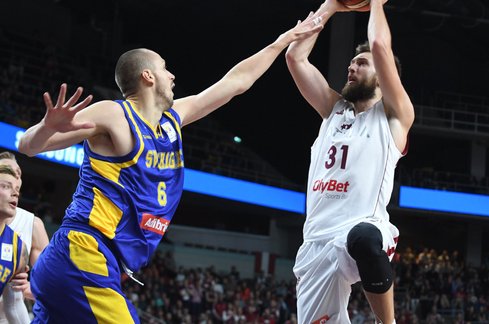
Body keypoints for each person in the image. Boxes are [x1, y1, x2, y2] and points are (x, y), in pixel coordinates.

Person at [17, 12, 327, 323]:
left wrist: (281, 41)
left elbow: (236, 82)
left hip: (93, 263)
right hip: (83, 253)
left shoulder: (172, 119)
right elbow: (28, 146)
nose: (172, 76)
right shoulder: (115, 115)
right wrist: (45, 127)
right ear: (148, 76)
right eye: (166, 69)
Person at [285, 0, 414, 323]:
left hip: (364, 229)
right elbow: (294, 57)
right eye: (351, 62)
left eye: (361, 63)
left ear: (385, 79)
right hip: (316, 244)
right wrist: (330, 5)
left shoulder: (395, 117)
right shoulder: (333, 110)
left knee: (363, 238)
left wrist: (376, 4)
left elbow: (381, 46)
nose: (350, 67)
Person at [0, 151, 50, 323]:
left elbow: (47, 285)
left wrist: (32, 289)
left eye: (18, 174)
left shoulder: (30, 226)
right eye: (8, 173)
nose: (15, 179)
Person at [0, 166, 29, 298]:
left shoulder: (19, 248)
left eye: (17, 190)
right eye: (6, 186)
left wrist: (29, 289)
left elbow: (13, 305)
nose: (15, 193)